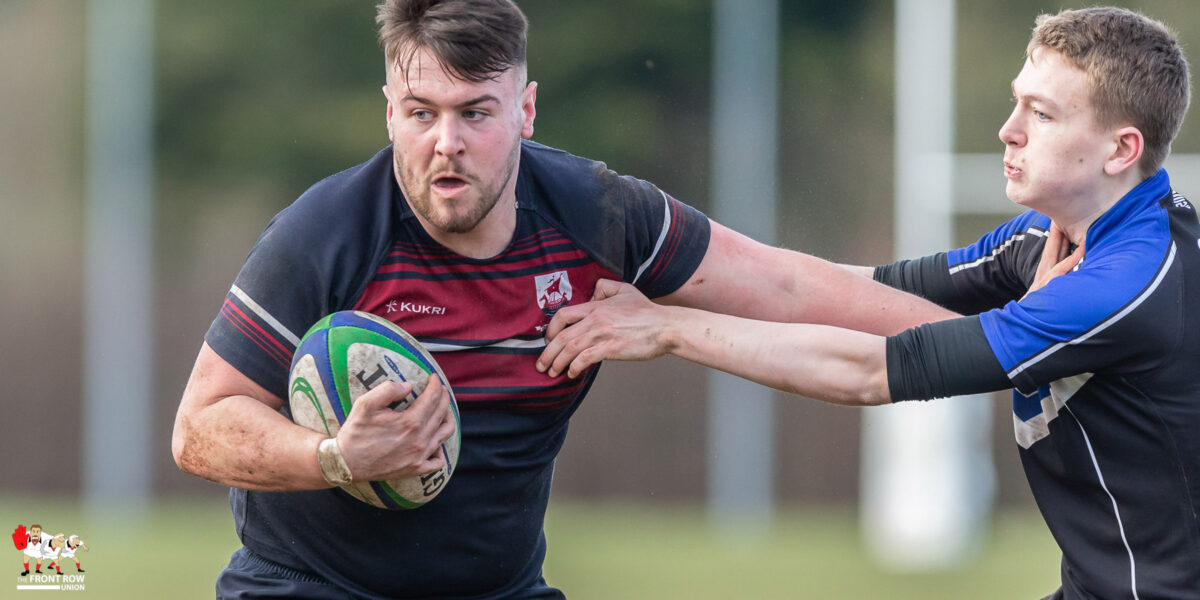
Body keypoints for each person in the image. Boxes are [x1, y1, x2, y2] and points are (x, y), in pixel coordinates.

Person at [170, 1, 956, 597]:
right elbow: (199, 428)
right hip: (313, 586)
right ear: (389, 112)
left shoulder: (599, 215)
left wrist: (1013, 336)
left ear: (526, 109)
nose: (446, 143)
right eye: (421, 114)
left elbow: (785, 285)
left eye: (475, 112)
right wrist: (336, 457)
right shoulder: (326, 234)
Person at [538, 7, 1197, 599]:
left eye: (1042, 114)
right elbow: (855, 293)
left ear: (1121, 150)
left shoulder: (1122, 284)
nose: (1008, 130)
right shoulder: (1049, 238)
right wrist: (672, 270)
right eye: (1016, 103)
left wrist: (668, 330)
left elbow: (871, 370)